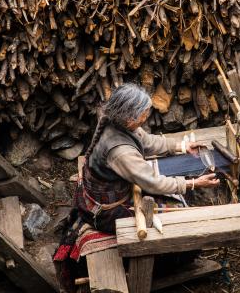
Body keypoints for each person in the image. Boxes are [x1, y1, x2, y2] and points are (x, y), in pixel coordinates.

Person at [53, 83, 219, 291]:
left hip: (107, 189)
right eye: (144, 113)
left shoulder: (117, 121)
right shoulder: (120, 151)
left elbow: (147, 141)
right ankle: (166, 263)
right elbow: (153, 182)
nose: (147, 116)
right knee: (176, 223)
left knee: (171, 203)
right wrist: (192, 183)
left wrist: (180, 146)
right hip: (106, 210)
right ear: (130, 118)